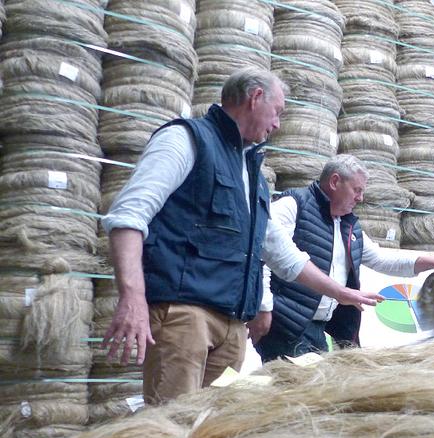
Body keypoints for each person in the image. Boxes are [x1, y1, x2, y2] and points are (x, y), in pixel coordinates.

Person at [101, 68, 381, 404]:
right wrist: (132, 298)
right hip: (185, 319)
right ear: (255, 98)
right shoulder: (186, 140)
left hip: (233, 329)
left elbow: (281, 254)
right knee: (170, 429)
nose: (277, 124)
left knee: (214, 431)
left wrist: (341, 293)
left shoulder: (253, 175)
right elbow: (128, 216)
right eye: (277, 112)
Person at [255, 154, 434, 361]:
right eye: (356, 190)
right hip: (283, 326)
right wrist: (263, 307)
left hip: (316, 330)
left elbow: (380, 259)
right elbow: (262, 257)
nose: (360, 198)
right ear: (334, 182)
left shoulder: (348, 226)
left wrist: (429, 261)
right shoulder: (292, 205)